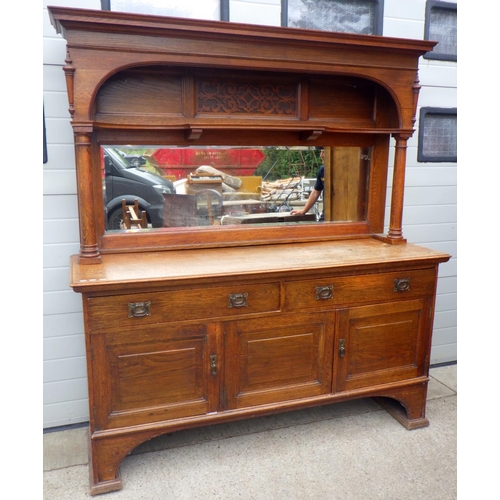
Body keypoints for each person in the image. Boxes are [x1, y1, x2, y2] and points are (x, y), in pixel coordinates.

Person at [290, 150, 325, 220]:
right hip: (326, 215)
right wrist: (304, 211)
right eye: (321, 152)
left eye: (324, 152)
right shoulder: (322, 170)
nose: (321, 155)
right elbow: (316, 191)